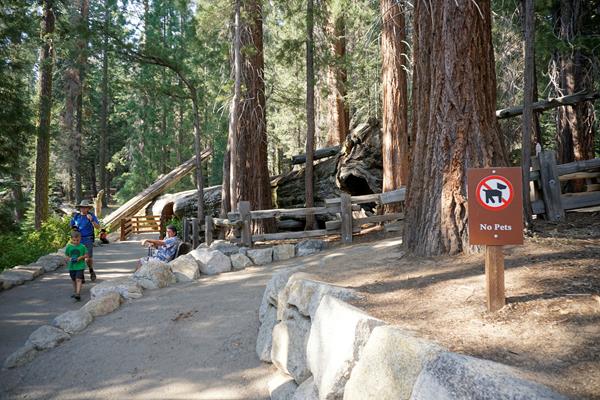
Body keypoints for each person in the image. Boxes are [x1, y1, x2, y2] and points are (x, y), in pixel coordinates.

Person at [70, 199, 100, 281]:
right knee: (79, 258)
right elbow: (71, 227)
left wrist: (92, 220)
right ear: (80, 208)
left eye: (85, 207)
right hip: (78, 240)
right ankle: (81, 275)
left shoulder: (91, 215)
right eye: (82, 207)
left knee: (88, 258)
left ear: (88, 208)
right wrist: (74, 230)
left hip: (88, 239)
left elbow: (98, 227)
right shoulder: (76, 216)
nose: (83, 209)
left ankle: (91, 270)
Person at [64, 231, 88, 301]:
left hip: (80, 266)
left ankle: (78, 294)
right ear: (71, 239)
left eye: (77, 240)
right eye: (74, 240)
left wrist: (81, 257)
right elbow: (66, 255)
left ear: (80, 239)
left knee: (78, 279)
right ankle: (75, 292)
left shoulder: (82, 247)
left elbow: (86, 255)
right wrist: (69, 258)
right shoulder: (69, 247)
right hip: (72, 266)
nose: (76, 242)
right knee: (73, 280)